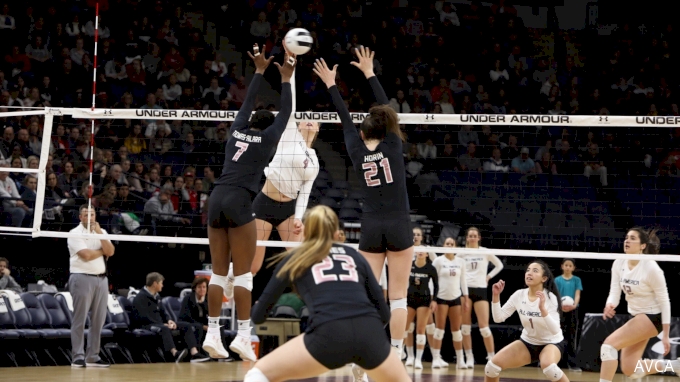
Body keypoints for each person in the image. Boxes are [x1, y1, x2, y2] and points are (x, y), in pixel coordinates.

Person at [314, 47, 413, 364]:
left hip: (370, 226)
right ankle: (395, 352)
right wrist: (370, 72)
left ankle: (363, 351)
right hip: (398, 224)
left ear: (361, 132)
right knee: (398, 296)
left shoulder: (356, 150)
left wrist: (331, 83)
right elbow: (385, 107)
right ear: (385, 129)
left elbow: (344, 118)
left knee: (370, 295)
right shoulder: (393, 144)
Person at [202, 44, 296, 362]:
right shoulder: (270, 137)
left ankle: (212, 334)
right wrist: (286, 78)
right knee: (242, 275)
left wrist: (258, 71)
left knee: (217, 274)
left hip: (216, 197)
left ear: (251, 120)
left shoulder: (236, 130)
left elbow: (246, 104)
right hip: (242, 199)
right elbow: (287, 113)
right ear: (269, 127)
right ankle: (243, 337)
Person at [244, 205, 410, 382]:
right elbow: (384, 313)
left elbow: (259, 316)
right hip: (370, 336)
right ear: (335, 231)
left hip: (329, 334)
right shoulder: (355, 256)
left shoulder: (296, 258)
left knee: (257, 374)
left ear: (305, 230)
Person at [250, 51, 320, 276]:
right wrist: (292, 67)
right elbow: (291, 102)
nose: (309, 120)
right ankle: (232, 278)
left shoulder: (315, 162)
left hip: (289, 211)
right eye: (305, 118)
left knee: (302, 265)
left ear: (318, 128)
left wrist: (299, 218)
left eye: (314, 119)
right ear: (298, 124)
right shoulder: (290, 133)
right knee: (252, 266)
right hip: (264, 204)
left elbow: (305, 193)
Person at [599, 228, 680, 382]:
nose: (627, 241)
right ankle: (673, 365)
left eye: (632, 238)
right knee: (631, 369)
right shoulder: (619, 263)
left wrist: (666, 335)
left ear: (643, 246)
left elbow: (665, 302)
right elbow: (615, 292)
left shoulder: (651, 268)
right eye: (626, 237)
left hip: (653, 316)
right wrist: (610, 304)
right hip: (637, 315)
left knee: (608, 347)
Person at [485, 260, 567, 382]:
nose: (529, 273)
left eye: (535, 271)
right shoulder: (519, 295)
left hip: (551, 343)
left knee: (550, 368)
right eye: (528, 270)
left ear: (544, 278)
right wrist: (496, 296)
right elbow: (498, 318)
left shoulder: (550, 298)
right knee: (491, 368)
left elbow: (555, 331)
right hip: (528, 342)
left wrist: (543, 310)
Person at [67, 205, 115, 368]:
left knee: (98, 320)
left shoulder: (102, 232)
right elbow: (86, 255)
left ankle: (93, 356)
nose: (90, 217)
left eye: (93, 214)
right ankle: (77, 356)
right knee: (80, 318)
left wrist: (101, 234)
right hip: (81, 277)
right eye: (86, 215)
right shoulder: (74, 233)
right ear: (80, 217)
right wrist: (102, 251)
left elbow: (111, 251)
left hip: (101, 279)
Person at [132, 272, 210, 363]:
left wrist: (169, 321)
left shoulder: (157, 297)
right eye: (161, 283)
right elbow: (143, 317)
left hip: (160, 324)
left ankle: (194, 353)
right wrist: (162, 324)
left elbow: (164, 312)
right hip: (146, 326)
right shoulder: (140, 298)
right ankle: (175, 353)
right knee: (164, 328)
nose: (162, 285)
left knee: (186, 325)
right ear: (154, 284)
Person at [460, 227, 503, 367]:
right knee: (465, 328)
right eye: (470, 235)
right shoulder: (461, 253)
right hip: (465, 290)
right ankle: (469, 358)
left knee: (484, 327)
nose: (472, 238)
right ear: (467, 238)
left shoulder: (484, 251)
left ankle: (492, 358)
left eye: (475, 236)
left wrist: (489, 276)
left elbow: (499, 265)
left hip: (480, 289)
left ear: (479, 238)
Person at [431, 237, 470, 369]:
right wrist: (433, 299)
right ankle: (436, 358)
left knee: (456, 330)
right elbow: (433, 280)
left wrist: (466, 298)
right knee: (439, 329)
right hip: (441, 298)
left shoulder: (460, 261)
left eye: (452, 244)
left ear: (455, 246)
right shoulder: (438, 261)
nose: (449, 245)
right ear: (443, 245)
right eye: (447, 243)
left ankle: (460, 360)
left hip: (456, 298)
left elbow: (463, 280)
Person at [404, 226, 437, 365]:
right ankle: (409, 355)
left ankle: (434, 356)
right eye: (413, 234)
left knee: (426, 327)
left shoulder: (429, 254)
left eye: (418, 234)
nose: (416, 236)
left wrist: (433, 298)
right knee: (407, 327)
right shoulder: (406, 250)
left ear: (422, 237)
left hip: (425, 295)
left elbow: (436, 269)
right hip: (409, 294)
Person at [554, 259, 582, 372]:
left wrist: (574, 305)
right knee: (558, 336)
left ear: (573, 268)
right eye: (566, 265)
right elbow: (555, 294)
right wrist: (560, 306)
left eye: (570, 266)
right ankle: (557, 362)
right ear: (562, 266)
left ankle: (572, 363)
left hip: (572, 311)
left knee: (571, 336)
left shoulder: (576, 280)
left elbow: (577, 294)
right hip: (560, 310)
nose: (568, 267)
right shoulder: (557, 280)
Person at [179, 277, 209, 346]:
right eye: (199, 287)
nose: (202, 289)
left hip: (201, 323)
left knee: (219, 326)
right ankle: (198, 352)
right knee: (199, 327)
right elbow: (187, 317)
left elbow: (209, 315)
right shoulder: (188, 298)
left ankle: (222, 351)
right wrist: (203, 326)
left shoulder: (207, 299)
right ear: (195, 288)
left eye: (204, 287)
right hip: (188, 323)